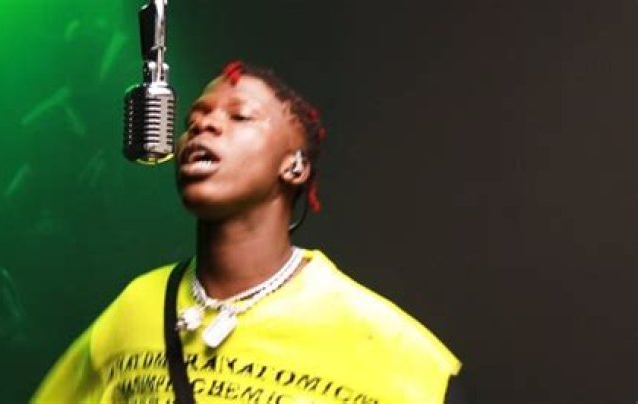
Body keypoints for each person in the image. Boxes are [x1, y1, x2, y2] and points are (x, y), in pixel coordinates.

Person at [31, 61, 461, 403]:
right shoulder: (134, 308)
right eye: (193, 119)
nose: (204, 126)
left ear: (295, 166)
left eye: (240, 116)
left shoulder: (380, 340)